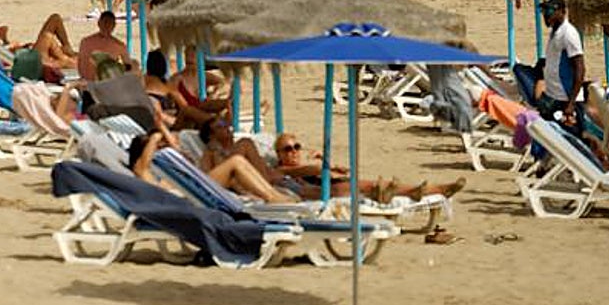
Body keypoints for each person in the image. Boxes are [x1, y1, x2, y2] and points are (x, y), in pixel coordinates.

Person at [128, 120, 293, 203]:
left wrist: (161, 130)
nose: (160, 147)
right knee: (236, 161)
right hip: (193, 192)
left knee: (239, 161)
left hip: (197, 185)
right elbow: (142, 165)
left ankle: (274, 196)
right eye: (157, 146)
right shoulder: (142, 170)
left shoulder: (163, 164)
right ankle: (274, 198)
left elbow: (174, 145)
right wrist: (155, 137)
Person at [271, 132, 466, 201]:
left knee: (378, 186)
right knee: (373, 186)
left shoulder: (302, 167)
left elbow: (333, 171)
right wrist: (321, 163)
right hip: (326, 191)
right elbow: (312, 171)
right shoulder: (280, 170)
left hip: (333, 186)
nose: (293, 152)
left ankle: (430, 190)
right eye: (287, 149)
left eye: (296, 147)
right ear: (278, 154)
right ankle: (435, 189)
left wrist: (326, 162)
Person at [537, 0, 585, 127]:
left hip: (565, 100)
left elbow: (579, 68)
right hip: (553, 96)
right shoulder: (555, 32)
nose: (546, 15)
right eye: (544, 11)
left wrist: (571, 103)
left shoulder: (569, 34)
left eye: (550, 11)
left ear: (562, 11)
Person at [0, 13, 77, 71]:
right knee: (49, 31)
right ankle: (68, 57)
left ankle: (68, 53)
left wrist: (5, 39)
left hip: (33, 54)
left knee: (55, 20)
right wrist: (10, 45)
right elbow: (8, 58)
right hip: (33, 62)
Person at [76, 11, 130, 81]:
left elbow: (80, 66)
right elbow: (129, 67)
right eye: (105, 22)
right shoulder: (118, 45)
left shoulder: (85, 41)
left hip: (88, 84)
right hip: (100, 86)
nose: (107, 25)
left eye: (109, 23)